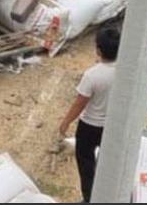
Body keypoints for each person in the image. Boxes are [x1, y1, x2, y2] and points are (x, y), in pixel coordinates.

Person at [58, 26, 120, 203]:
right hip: (111, 125)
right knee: (108, 160)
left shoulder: (92, 75)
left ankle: (90, 198)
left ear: (98, 50)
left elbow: (80, 103)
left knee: (86, 163)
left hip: (89, 126)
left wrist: (66, 122)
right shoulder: (125, 71)